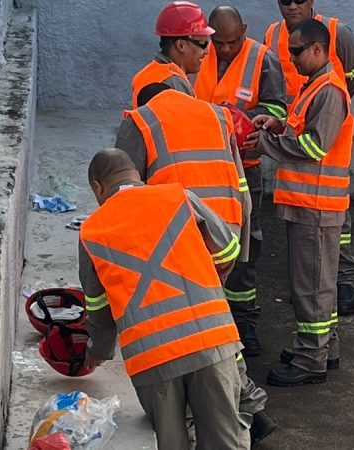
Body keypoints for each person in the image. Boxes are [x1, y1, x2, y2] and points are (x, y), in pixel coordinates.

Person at [115, 82, 277, 444]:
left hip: (179, 238)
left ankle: (231, 408)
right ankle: (252, 408)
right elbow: (242, 185)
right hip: (225, 232)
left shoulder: (141, 121)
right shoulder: (217, 115)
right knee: (213, 324)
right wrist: (240, 246)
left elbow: (125, 193)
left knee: (191, 331)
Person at [78, 148, 249, 449]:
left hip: (152, 358)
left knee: (170, 442)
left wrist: (97, 352)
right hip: (211, 340)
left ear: (97, 186)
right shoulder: (178, 196)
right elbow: (227, 249)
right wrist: (208, 281)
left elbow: (98, 305)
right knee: (225, 440)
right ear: (137, 175)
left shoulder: (92, 230)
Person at [243, 19, 354, 387]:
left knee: (312, 289)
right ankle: (323, 348)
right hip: (310, 204)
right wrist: (277, 127)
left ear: (318, 49)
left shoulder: (328, 90)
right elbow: (303, 133)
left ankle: (311, 358)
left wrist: (265, 144)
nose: (290, 59)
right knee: (316, 286)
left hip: (316, 206)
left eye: (296, 51)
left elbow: (314, 147)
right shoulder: (316, 87)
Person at [194, 5, 288, 357]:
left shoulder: (262, 58)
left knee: (245, 245)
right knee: (204, 244)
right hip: (202, 167)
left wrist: (251, 122)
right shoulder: (197, 53)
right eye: (218, 42)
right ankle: (210, 322)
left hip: (243, 168)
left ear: (244, 31)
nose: (226, 49)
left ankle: (244, 325)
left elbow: (278, 108)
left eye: (233, 42)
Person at [264, 0, 354, 315]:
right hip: (301, 138)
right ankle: (320, 335)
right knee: (316, 260)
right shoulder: (273, 34)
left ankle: (343, 282)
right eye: (284, 0)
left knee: (333, 235)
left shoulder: (336, 33)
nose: (291, 5)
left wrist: (329, 108)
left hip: (320, 156)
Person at [130, 1, 215, 109]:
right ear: (181, 45)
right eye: (203, 44)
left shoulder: (145, 74)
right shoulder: (175, 83)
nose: (207, 52)